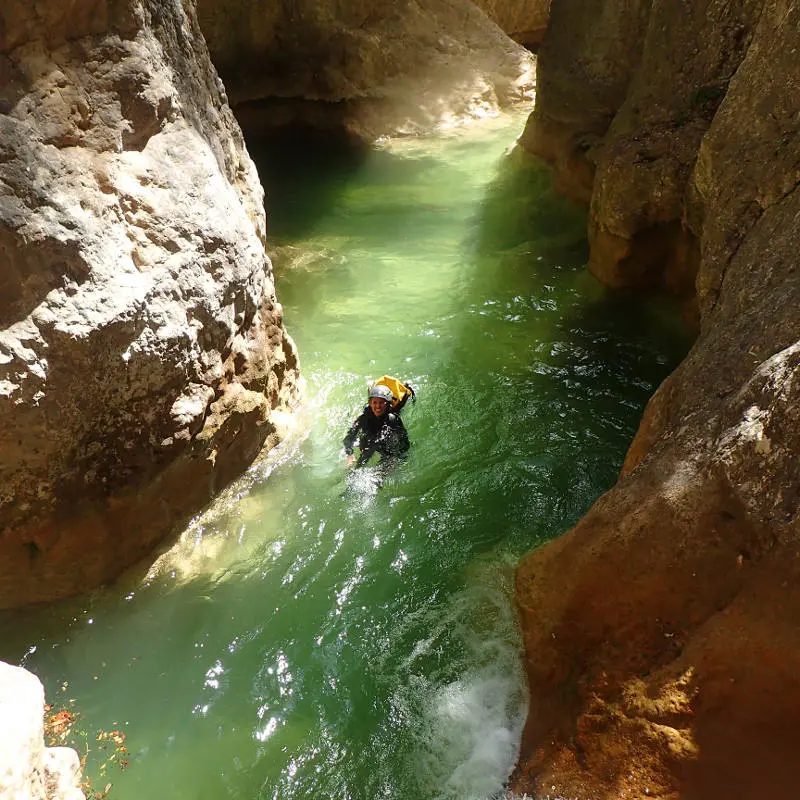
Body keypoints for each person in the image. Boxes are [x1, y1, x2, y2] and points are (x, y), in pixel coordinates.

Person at [343, 384, 410, 468]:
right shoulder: (364, 417)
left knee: (388, 458)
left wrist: (401, 457)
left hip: (386, 446)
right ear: (370, 403)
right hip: (370, 440)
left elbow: (403, 440)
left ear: (387, 404)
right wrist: (350, 454)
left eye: (381, 403)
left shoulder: (393, 420)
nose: (378, 406)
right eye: (375, 402)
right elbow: (349, 436)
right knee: (364, 448)